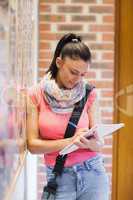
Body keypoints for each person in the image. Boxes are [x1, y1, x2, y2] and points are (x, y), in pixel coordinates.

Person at [27, 33, 109, 200]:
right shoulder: (36, 94)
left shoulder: (89, 93)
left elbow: (100, 144)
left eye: (83, 74)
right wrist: (70, 142)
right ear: (59, 63)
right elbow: (32, 145)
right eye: (73, 72)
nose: (77, 79)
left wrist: (91, 143)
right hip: (59, 177)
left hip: (92, 172)